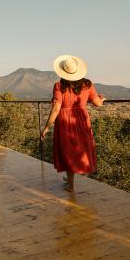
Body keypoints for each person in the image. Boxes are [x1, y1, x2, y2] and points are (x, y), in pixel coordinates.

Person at [41, 55, 106, 192]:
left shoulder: (59, 86)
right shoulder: (87, 85)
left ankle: (70, 184)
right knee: (80, 150)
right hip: (81, 121)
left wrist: (46, 127)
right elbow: (98, 104)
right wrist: (102, 98)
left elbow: (56, 108)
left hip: (64, 122)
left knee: (68, 151)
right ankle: (72, 179)